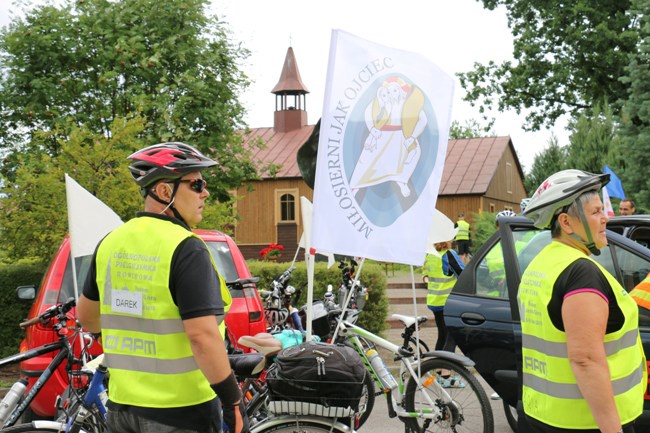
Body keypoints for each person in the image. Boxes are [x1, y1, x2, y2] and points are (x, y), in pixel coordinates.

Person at [77, 142, 249, 433]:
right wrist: (233, 402)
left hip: (122, 407)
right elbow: (202, 336)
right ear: (165, 191)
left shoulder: (111, 241)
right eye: (196, 184)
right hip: (182, 410)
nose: (205, 192)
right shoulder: (185, 247)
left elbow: (87, 317)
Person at [519, 169, 646, 433]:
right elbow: (585, 359)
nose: (606, 219)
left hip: (541, 414)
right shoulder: (581, 273)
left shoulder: (540, 264)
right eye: (596, 212)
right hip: (585, 423)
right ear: (566, 223)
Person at [422, 240, 464, 353]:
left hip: (435, 300)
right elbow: (463, 273)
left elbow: (425, 272)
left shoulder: (430, 255)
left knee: (442, 334)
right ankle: (445, 368)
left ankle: (438, 367)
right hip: (447, 301)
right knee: (451, 336)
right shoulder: (448, 254)